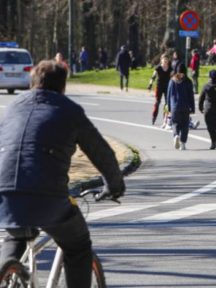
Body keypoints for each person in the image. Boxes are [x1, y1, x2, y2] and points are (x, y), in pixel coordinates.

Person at [0, 60, 125, 288]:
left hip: (4, 193)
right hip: (47, 196)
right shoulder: (69, 111)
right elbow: (101, 152)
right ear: (63, 86)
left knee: (15, 231)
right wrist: (114, 185)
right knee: (78, 246)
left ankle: (6, 266)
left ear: (32, 82)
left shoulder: (13, 106)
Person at [167, 62, 195, 151]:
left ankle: (176, 136)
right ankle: (183, 143)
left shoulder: (172, 81)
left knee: (175, 123)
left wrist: (168, 108)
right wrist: (192, 107)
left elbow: (168, 95)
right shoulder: (188, 81)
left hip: (174, 106)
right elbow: (191, 95)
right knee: (185, 125)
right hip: (185, 106)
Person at [148, 54, 172, 125]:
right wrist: (150, 85)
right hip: (159, 87)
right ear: (161, 60)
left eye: (166, 60)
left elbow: (173, 77)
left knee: (167, 104)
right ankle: (154, 116)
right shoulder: (158, 68)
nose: (165, 61)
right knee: (157, 103)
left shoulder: (170, 69)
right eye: (164, 60)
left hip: (167, 87)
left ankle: (165, 118)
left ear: (168, 61)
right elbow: (153, 77)